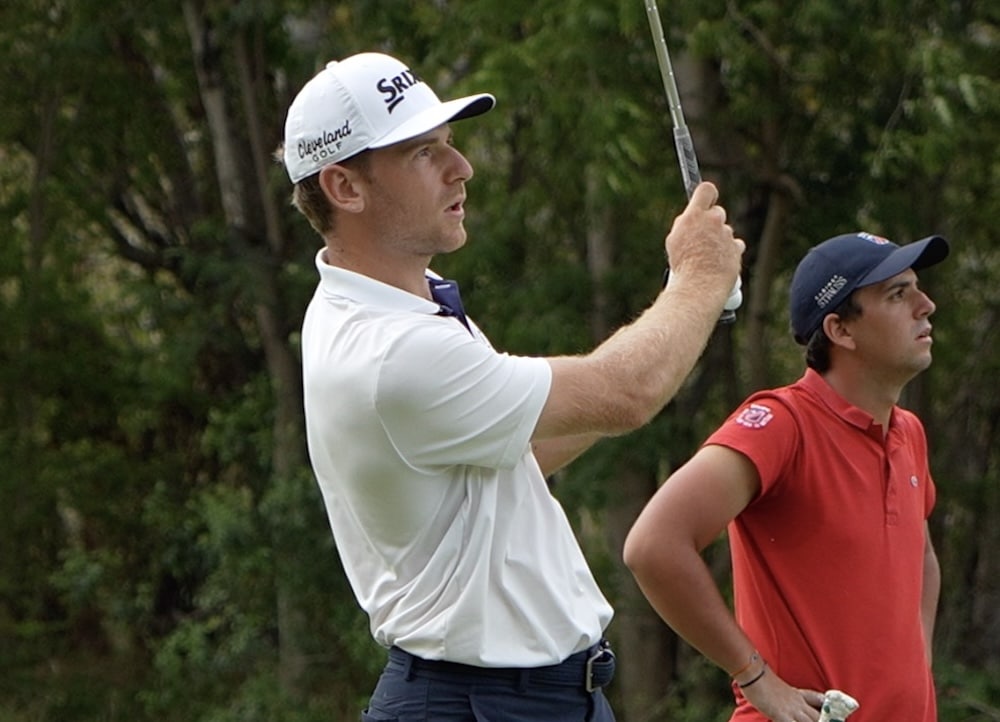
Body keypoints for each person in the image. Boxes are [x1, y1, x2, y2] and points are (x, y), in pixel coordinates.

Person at [278, 51, 744, 722]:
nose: (461, 167)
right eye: (422, 153)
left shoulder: (405, 303)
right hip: (478, 702)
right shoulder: (394, 350)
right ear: (344, 188)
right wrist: (696, 282)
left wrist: (682, 322)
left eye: (450, 145)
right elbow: (626, 393)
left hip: (540, 697)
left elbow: (525, 443)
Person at [623, 231, 948, 722]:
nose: (927, 305)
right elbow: (653, 545)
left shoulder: (908, 432)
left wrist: (913, 667)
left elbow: (920, 556)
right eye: (898, 294)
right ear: (841, 330)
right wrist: (756, 678)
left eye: (916, 288)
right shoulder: (782, 424)